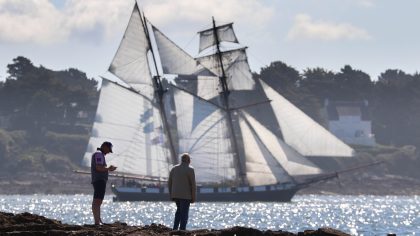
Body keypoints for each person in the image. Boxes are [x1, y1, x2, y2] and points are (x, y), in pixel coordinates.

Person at [168, 153, 196, 230]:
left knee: (178, 212)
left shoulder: (174, 168)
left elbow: (169, 183)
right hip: (186, 196)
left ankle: (175, 228)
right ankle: (182, 230)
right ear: (188, 160)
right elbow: (193, 185)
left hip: (176, 195)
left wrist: (171, 195)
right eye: (189, 159)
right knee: (184, 213)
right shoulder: (190, 169)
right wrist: (193, 198)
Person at [91, 141, 117, 225]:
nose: (109, 152)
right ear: (104, 147)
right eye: (108, 150)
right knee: (97, 201)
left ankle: (98, 221)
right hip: (99, 180)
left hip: (100, 180)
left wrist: (108, 168)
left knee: (98, 201)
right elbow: (98, 168)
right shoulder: (99, 154)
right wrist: (109, 168)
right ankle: (97, 222)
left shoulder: (100, 155)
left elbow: (100, 167)